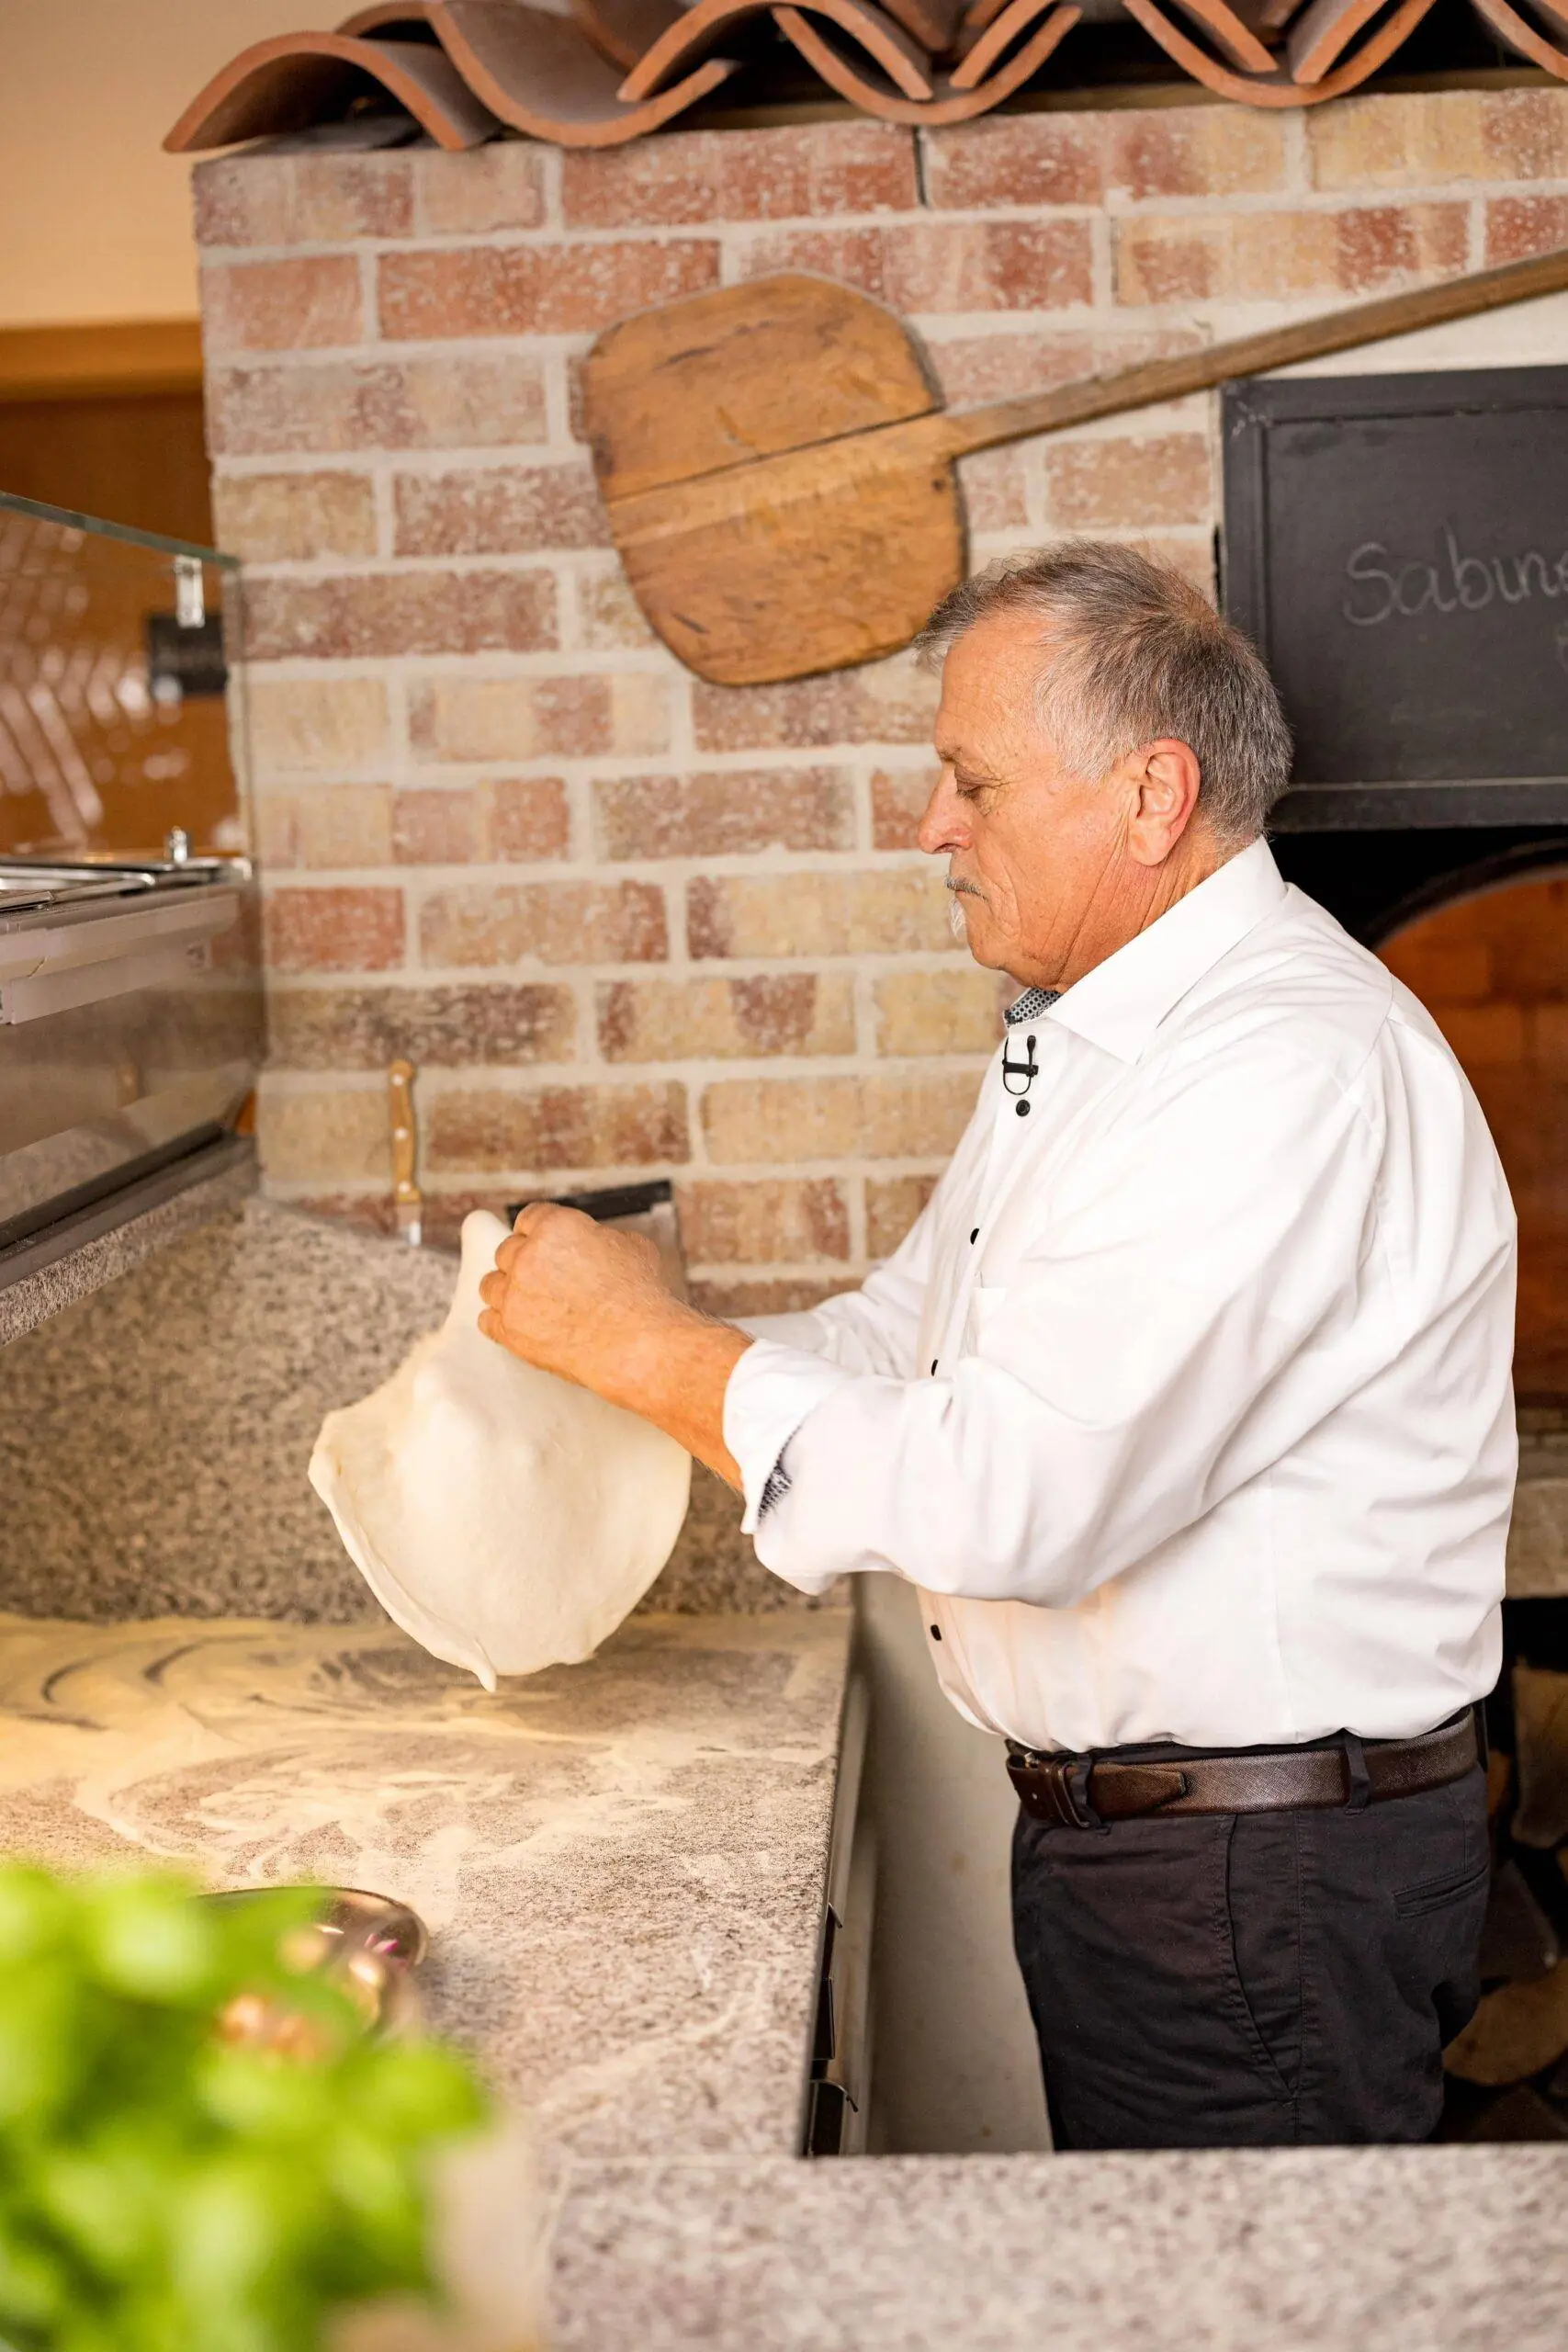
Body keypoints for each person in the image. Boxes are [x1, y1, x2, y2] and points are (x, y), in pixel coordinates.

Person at [478, 541, 1516, 2150]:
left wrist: (647, 1354)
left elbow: (1018, 1499)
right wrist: (637, 1355)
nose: (930, 825)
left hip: (1254, 1887)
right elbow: (912, 1330)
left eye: (970, 779)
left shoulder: (1273, 1066)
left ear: (1150, 795)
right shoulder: (1101, 1028)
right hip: (1176, 1865)